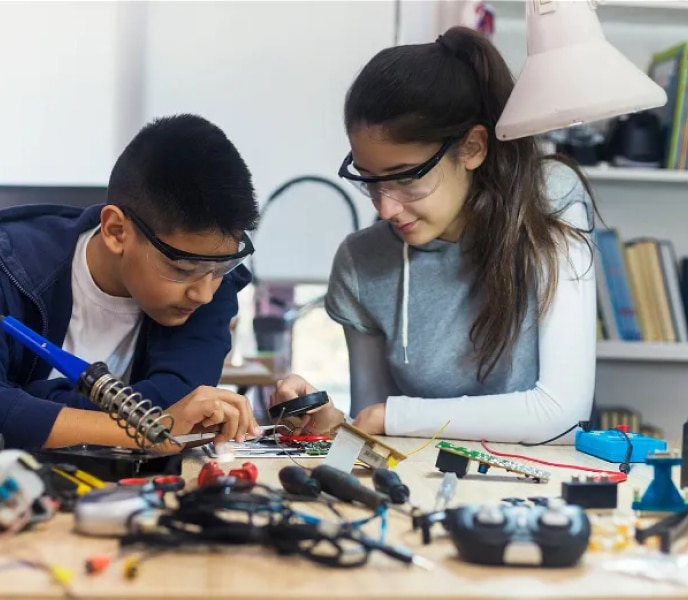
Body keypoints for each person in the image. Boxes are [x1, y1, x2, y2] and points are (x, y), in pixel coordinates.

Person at [269, 27, 598, 444]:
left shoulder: (548, 201)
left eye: (404, 179)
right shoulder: (362, 262)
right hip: (420, 500)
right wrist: (336, 426)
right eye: (369, 181)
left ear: (473, 148)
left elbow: (561, 414)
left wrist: (394, 415)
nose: (384, 209)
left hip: (540, 495)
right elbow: (373, 435)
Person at [0, 114, 261, 450]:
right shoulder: (11, 269)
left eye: (222, 266)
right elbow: (164, 422)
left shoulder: (211, 284)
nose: (204, 293)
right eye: (182, 268)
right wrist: (144, 432)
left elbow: (174, 402)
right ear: (116, 231)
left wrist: (25, 401)